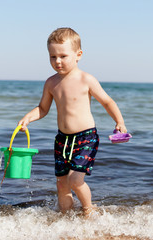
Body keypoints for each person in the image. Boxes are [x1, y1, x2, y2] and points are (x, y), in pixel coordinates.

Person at [17, 27, 127, 217]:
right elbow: (43, 109)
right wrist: (28, 117)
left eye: (63, 56)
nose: (57, 61)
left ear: (78, 55)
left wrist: (119, 122)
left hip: (86, 137)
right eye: (52, 57)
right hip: (62, 140)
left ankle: (88, 210)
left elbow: (107, 101)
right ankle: (66, 220)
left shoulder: (86, 79)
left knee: (75, 179)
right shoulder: (51, 83)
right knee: (61, 183)